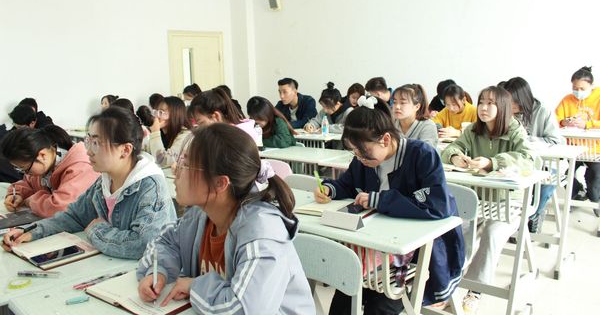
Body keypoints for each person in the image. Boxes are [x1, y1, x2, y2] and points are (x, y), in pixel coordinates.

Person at [136, 123, 315, 313]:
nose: (174, 169)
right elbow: (165, 242)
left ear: (220, 183)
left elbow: (244, 309)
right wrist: (160, 272)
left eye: (185, 164)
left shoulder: (262, 233)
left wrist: (193, 286)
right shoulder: (201, 214)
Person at [314, 96, 464, 313]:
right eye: (354, 153)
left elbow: (437, 205)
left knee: (380, 306)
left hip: (411, 252)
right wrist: (330, 189)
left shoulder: (422, 155)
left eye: (363, 153)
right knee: (344, 298)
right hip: (374, 246)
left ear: (385, 139)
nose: (359, 158)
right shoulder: (364, 159)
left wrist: (379, 200)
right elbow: (348, 184)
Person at [2, 107, 177, 259]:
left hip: (147, 277)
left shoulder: (149, 187)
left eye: (97, 143)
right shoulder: (104, 180)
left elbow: (145, 244)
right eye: (89, 141)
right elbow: (75, 216)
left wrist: (96, 230)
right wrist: (32, 231)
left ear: (125, 150)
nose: (89, 151)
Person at [441, 86, 536, 314]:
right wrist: (456, 157)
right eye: (481, 102)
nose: (483, 107)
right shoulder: (473, 130)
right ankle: (447, 284)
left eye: (490, 103)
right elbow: (451, 148)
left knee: (492, 234)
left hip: (509, 202)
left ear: (502, 107)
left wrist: (493, 162)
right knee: (455, 230)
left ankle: (475, 290)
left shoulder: (515, 130)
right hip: (479, 198)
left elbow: (528, 159)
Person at [503, 77, 563, 232]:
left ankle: (533, 215)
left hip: (546, 162)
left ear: (522, 99)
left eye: (512, 102)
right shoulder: (507, 113)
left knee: (544, 184)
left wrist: (527, 140)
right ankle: (515, 218)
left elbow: (555, 141)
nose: (509, 106)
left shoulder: (543, 111)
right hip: (519, 162)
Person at [1, 125, 99, 217]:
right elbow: (27, 183)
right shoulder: (44, 164)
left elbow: (61, 207)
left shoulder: (81, 167)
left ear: (42, 155)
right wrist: (17, 194)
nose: (26, 173)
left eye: (25, 169)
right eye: (20, 169)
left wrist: (30, 201)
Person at [555, 66, 600, 208]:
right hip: (573, 147)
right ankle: (577, 194)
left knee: (595, 178)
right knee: (563, 174)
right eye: (575, 88)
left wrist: (587, 124)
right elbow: (555, 119)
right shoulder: (567, 99)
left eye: (582, 88)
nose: (578, 92)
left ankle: (595, 200)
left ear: (591, 86)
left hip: (596, 149)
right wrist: (564, 122)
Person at [188, 88, 260, 144]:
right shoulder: (224, 133)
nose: (198, 128)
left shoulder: (236, 138)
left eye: (201, 123)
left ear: (216, 116)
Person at [148, 96, 192, 167]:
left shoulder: (185, 135)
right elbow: (147, 152)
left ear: (175, 115)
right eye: (156, 112)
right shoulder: (162, 132)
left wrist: (155, 132)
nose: (156, 117)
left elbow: (162, 161)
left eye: (161, 112)